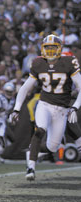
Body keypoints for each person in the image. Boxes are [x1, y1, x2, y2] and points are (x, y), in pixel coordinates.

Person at [9, 35, 81, 181]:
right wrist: (16, 108)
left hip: (62, 109)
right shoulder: (38, 63)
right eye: (47, 48)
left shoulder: (68, 62)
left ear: (59, 48)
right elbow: (25, 88)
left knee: (52, 147)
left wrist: (74, 107)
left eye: (53, 47)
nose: (49, 51)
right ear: (42, 48)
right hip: (45, 104)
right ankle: (31, 168)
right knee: (39, 130)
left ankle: (31, 153)